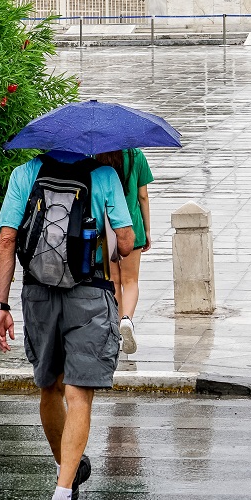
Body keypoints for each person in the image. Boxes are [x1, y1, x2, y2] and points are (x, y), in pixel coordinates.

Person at [0, 150, 134, 500]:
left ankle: (66, 467)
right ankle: (62, 496)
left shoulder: (25, 172)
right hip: (89, 294)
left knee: (50, 387)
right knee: (79, 393)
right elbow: (125, 241)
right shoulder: (104, 175)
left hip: (37, 294)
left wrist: (0, 305)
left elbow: (7, 241)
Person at [95, 149, 154, 354]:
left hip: (108, 228)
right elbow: (143, 196)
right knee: (131, 281)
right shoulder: (136, 155)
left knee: (114, 281)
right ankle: (127, 319)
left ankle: (117, 329)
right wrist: (147, 229)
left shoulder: (96, 156)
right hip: (132, 227)